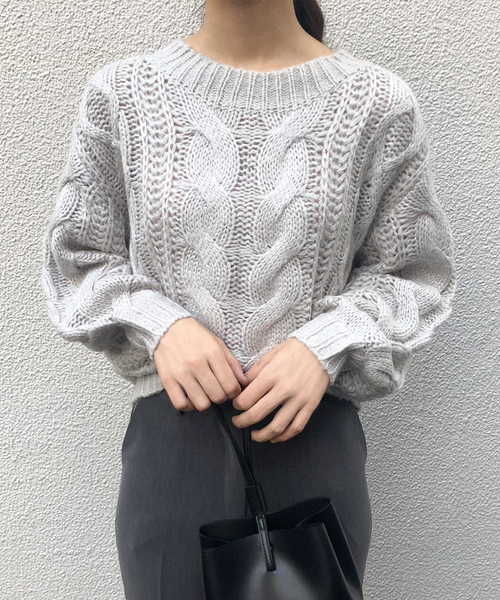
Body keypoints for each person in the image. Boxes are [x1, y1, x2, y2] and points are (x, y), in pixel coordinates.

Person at [39, 0, 457, 598]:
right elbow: (78, 257)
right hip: (174, 447)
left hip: (312, 444)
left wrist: (325, 344)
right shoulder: (122, 95)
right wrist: (162, 324)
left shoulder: (377, 104)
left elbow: (414, 272)